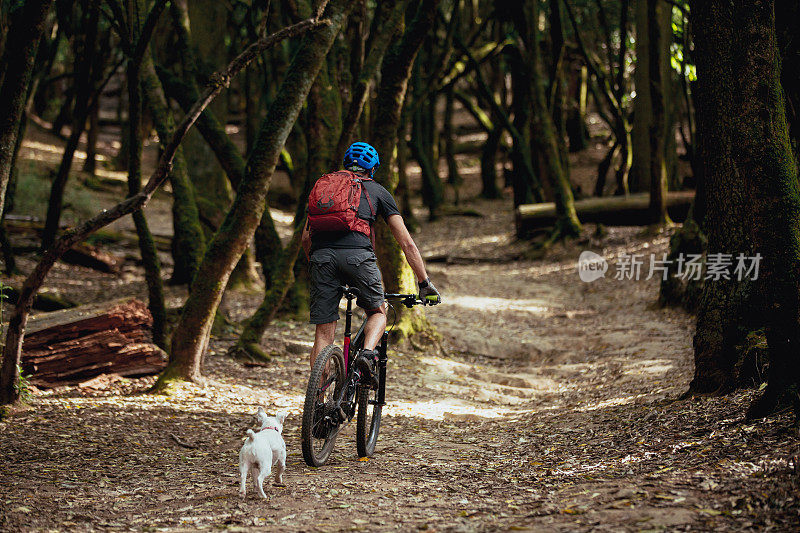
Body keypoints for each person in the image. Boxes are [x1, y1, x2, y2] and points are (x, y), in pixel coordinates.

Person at [302, 141, 440, 384]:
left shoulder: (324, 189)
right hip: (359, 258)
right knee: (377, 311)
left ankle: (319, 400)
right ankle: (367, 353)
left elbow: (305, 238)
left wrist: (316, 265)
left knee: (324, 333)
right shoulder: (377, 191)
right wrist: (423, 281)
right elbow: (406, 243)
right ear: (372, 168)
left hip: (321, 258)